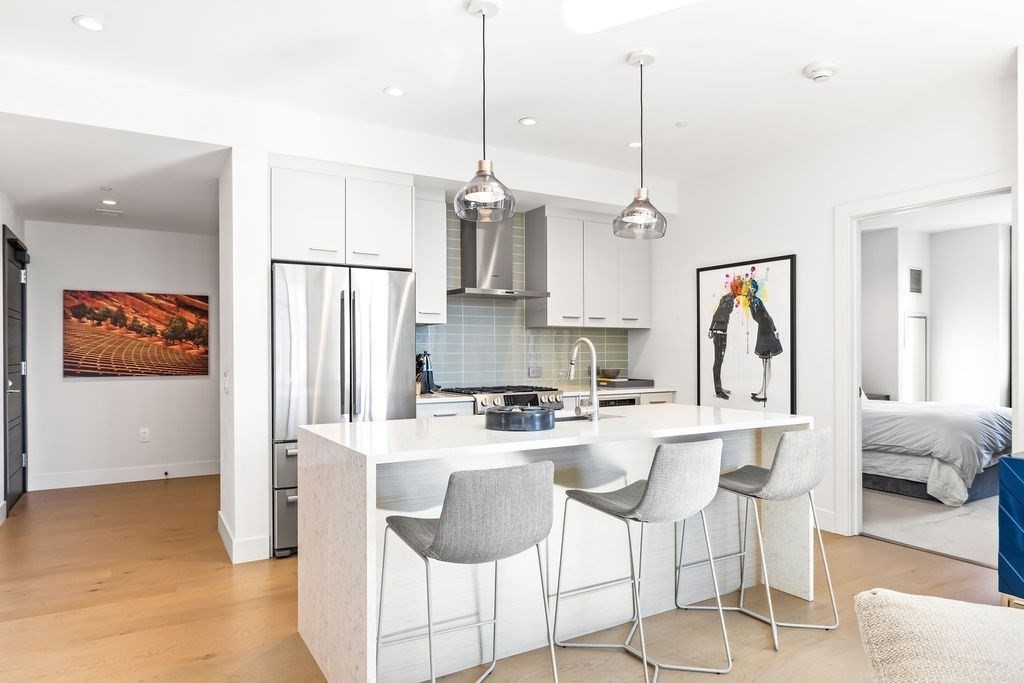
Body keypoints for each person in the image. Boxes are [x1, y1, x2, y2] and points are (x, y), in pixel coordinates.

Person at [748, 279, 782, 404]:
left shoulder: (756, 300)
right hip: (763, 330)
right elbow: (758, 317)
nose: (747, 290)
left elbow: (766, 316)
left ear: (753, 289)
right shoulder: (752, 301)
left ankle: (764, 394)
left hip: (767, 332)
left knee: (767, 363)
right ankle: (762, 390)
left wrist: (774, 329)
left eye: (749, 288)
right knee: (765, 364)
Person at [708, 291, 735, 399]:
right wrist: (711, 329)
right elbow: (716, 315)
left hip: (722, 333)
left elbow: (715, 315)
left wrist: (711, 329)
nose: (732, 307)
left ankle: (719, 387)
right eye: (732, 303)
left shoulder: (726, 302)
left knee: (720, 360)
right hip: (719, 334)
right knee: (718, 360)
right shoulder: (726, 303)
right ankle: (718, 390)